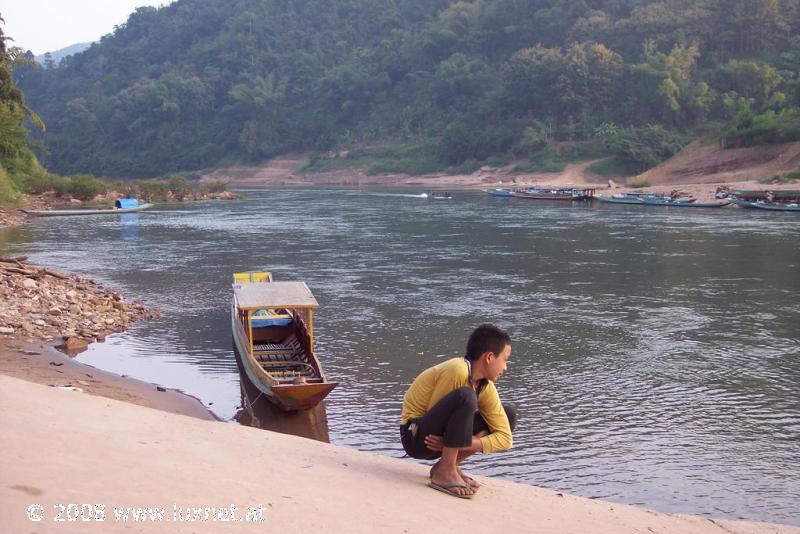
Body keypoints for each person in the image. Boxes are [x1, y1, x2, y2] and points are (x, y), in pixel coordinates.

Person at [400, 324, 516, 499]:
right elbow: (436, 415)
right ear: (490, 357)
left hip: (443, 441)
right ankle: (445, 473)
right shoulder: (457, 370)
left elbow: (505, 439)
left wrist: (465, 442)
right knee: (466, 397)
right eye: (505, 359)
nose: (505, 367)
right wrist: (461, 440)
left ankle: (447, 466)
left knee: (508, 414)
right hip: (417, 437)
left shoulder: (486, 386)